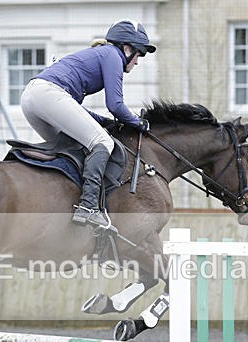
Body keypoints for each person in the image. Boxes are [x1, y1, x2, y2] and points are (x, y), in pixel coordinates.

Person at [20, 20, 155, 227]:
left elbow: (75, 111)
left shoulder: (102, 54)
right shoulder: (112, 55)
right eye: (139, 54)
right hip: (48, 94)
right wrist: (138, 123)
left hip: (32, 98)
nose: (137, 61)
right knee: (104, 143)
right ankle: (89, 207)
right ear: (127, 48)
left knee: (75, 147)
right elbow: (116, 105)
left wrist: (105, 122)